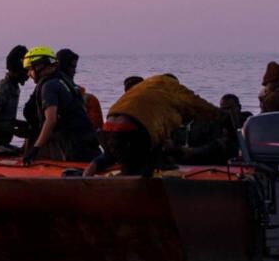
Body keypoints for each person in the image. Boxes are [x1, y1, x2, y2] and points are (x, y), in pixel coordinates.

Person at [93, 73, 226, 177]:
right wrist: (221, 116)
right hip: (132, 129)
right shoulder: (171, 88)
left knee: (124, 160)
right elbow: (197, 103)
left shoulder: (144, 88)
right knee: (143, 167)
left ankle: (97, 176)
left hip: (108, 127)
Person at [20, 46, 98, 165]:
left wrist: (35, 150)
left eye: (30, 69)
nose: (28, 74)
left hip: (72, 149)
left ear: (40, 66)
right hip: (87, 144)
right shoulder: (63, 81)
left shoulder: (49, 86)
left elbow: (51, 120)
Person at [57, 48, 105, 130]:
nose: (74, 71)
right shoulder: (89, 100)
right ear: (65, 67)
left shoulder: (47, 87)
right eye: (73, 67)